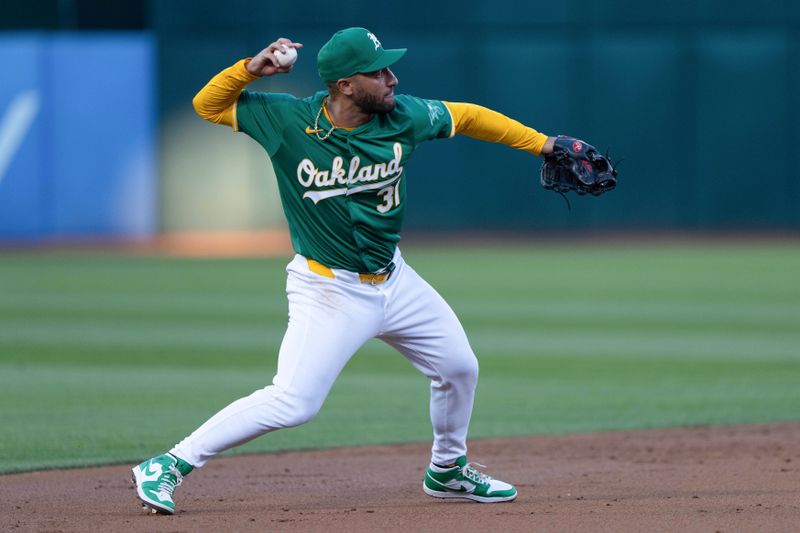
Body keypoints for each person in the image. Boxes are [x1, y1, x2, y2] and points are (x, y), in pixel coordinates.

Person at [132, 27, 557, 515]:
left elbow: (470, 116)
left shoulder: (404, 116)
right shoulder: (287, 120)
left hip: (394, 280)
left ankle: (447, 470)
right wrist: (250, 69)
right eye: (379, 71)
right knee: (294, 402)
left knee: (459, 368)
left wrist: (543, 144)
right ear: (346, 85)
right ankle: (169, 463)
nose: (392, 78)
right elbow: (207, 105)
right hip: (328, 290)